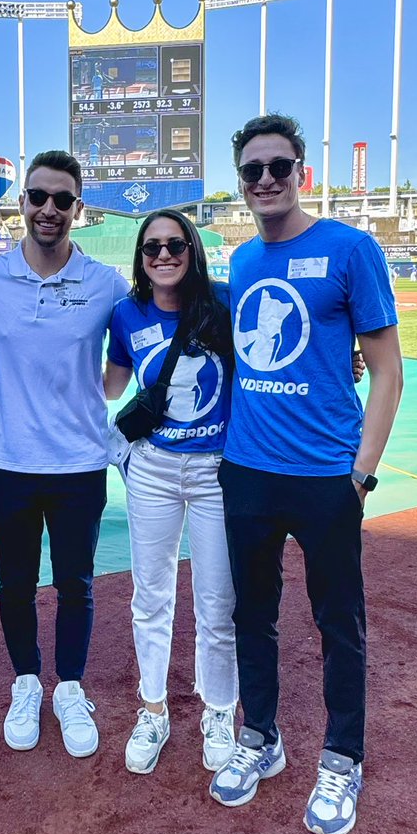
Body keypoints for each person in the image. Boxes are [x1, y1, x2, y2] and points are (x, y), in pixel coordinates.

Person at [209, 114, 403, 834]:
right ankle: (260, 737)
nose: (264, 180)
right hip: (248, 473)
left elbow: (387, 372)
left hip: (326, 477)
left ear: (302, 174)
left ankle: (341, 756)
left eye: (277, 167)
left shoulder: (350, 250)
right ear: (242, 183)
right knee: (249, 616)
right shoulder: (240, 262)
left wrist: (360, 476)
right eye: (251, 170)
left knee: (337, 622)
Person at [0, 150, 129, 759]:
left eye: (63, 200)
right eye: (39, 197)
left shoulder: (106, 284)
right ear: (22, 202)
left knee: (76, 585)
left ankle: (70, 689)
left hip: (80, 464)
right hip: (5, 462)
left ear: (78, 209)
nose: (50, 209)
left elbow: (168, 319)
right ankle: (26, 683)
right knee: (14, 584)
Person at [105, 210, 238, 775]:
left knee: (217, 602)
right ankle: (153, 708)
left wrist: (344, 359)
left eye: (174, 244)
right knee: (151, 595)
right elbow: (108, 387)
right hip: (154, 470)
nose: (163, 255)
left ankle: (219, 711)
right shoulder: (125, 314)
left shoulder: (225, 302)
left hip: (215, 471)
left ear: (192, 249)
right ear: (140, 257)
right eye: (151, 247)